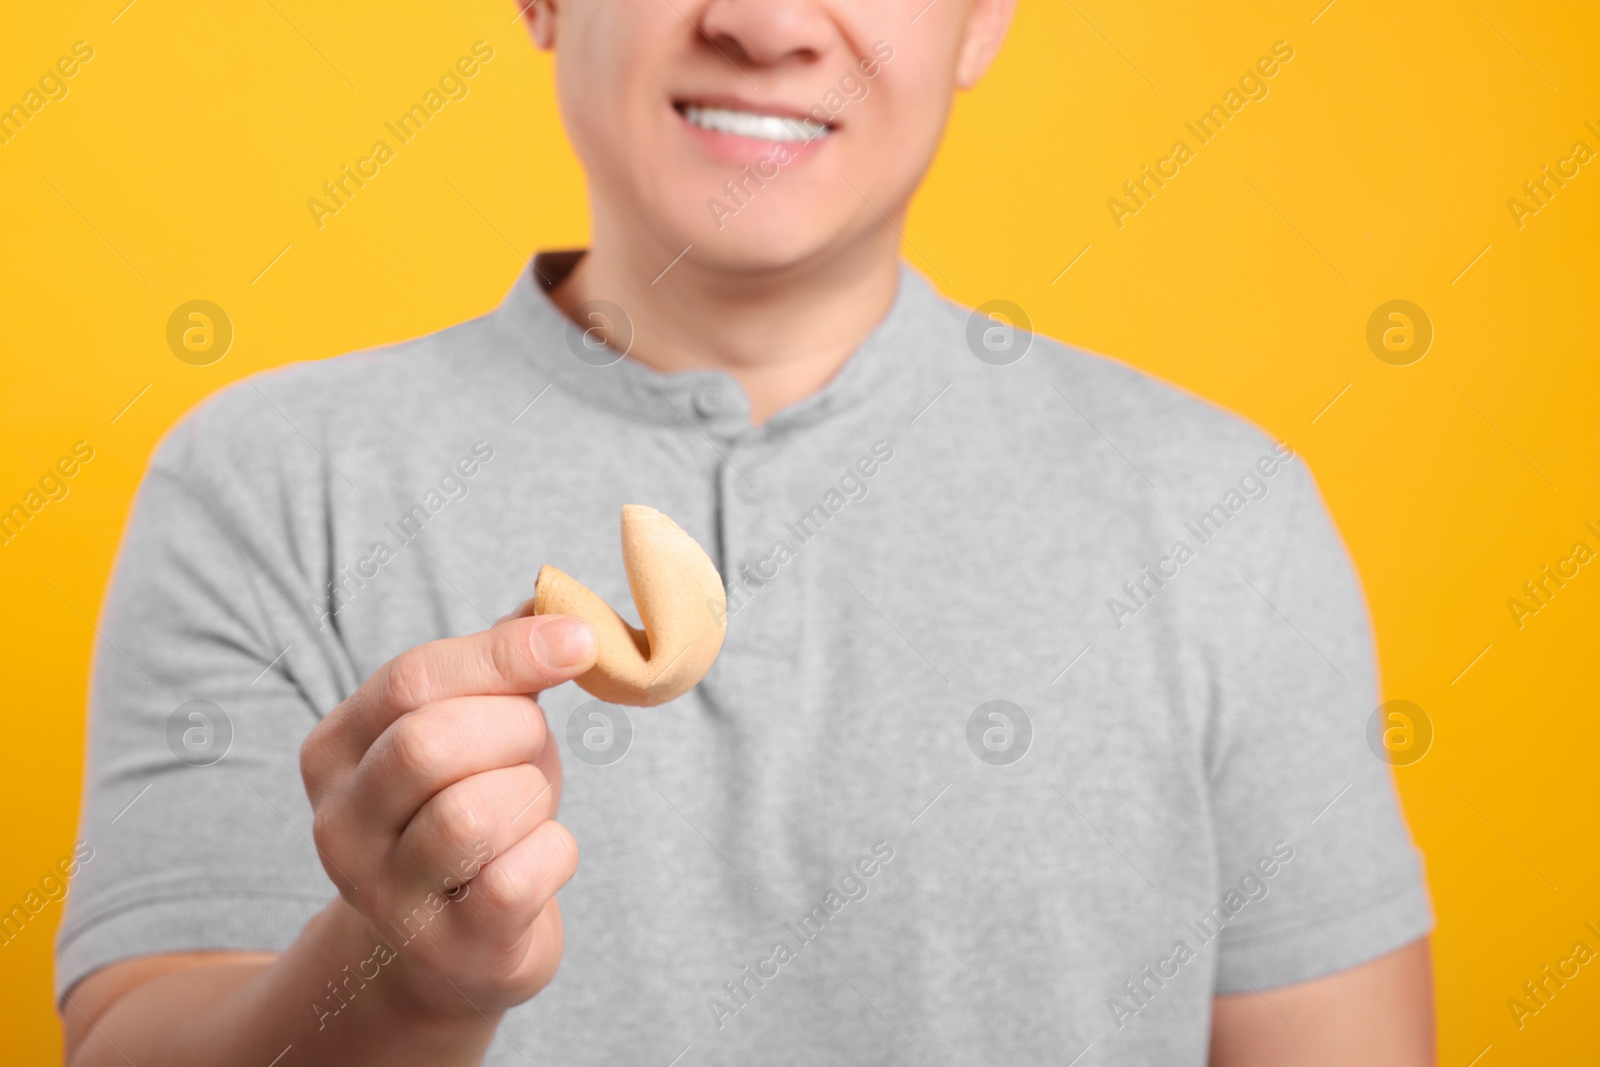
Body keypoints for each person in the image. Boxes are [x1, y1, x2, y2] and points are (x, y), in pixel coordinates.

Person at [56, 1, 1436, 1064]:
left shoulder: (1222, 513)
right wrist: (400, 977)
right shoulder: (267, 483)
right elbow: (138, 1033)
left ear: (987, 15)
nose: (766, 22)